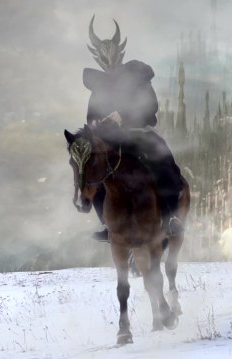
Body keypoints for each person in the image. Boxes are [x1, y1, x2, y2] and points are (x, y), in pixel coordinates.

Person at [83, 16, 183, 242]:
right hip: (111, 139)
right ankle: (107, 223)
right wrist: (95, 123)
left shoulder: (138, 77)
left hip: (140, 134)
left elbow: (151, 107)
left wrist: (124, 116)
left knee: (162, 162)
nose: (108, 59)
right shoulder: (98, 86)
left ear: (120, 52)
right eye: (103, 55)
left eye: (112, 54)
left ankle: (170, 218)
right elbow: (91, 115)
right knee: (93, 172)